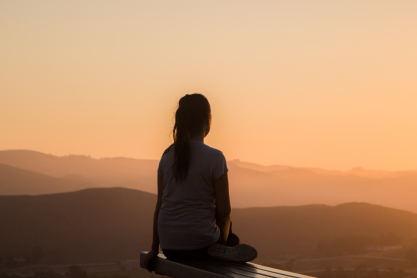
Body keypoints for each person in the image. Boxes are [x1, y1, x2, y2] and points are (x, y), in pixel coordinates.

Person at [144, 93, 257, 271]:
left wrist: (153, 249)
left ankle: (225, 247)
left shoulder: (166, 156)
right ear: (208, 121)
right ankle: (226, 247)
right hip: (201, 246)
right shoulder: (215, 157)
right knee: (228, 223)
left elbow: (160, 206)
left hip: (169, 247)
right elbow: (224, 211)